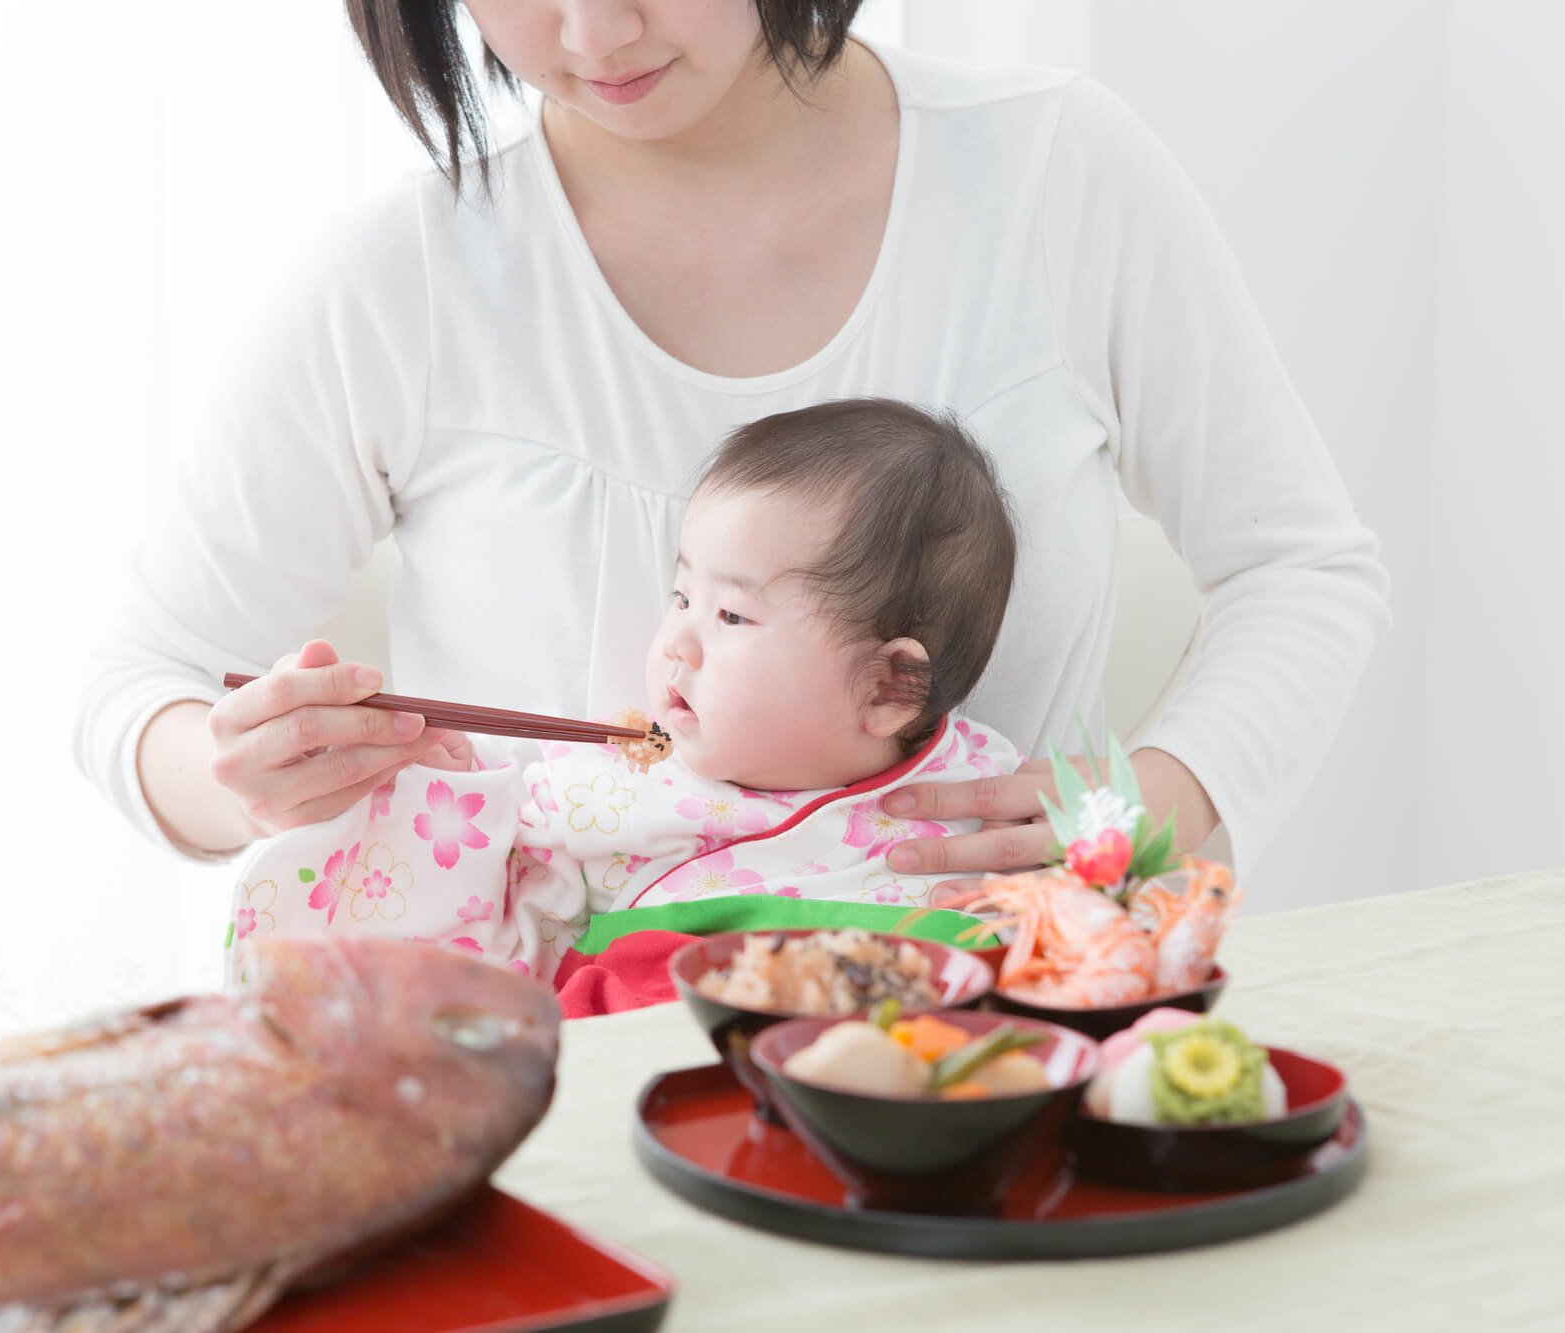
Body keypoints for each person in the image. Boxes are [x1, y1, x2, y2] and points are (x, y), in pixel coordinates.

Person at [77, 1, 1389, 913]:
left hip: (983, 1066)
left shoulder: (1055, 170)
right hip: (560, 1093)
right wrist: (232, 776)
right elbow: (144, 686)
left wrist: (1154, 797)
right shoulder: (398, 282)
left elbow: (1302, 568)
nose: (593, 33)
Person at [225, 399, 1028, 1009]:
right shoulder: (612, 781)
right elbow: (499, 948)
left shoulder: (980, 793)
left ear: (891, 688)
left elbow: (1057, 918)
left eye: (732, 616)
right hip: (633, 1052)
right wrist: (446, 790)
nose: (677, 641)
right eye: (682, 595)